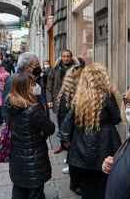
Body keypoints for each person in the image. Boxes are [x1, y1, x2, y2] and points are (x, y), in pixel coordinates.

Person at [65, 63, 122, 199]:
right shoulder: (107, 96)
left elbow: (71, 119)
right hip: (106, 140)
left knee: (87, 179)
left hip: (83, 140)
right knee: (104, 177)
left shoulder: (79, 96)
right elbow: (117, 119)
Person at [4, 72, 55, 199]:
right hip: (34, 157)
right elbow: (51, 128)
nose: (36, 86)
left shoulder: (11, 103)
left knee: (19, 187)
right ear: (25, 88)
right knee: (35, 191)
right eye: (33, 84)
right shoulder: (32, 110)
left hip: (17, 156)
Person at [56, 65, 83, 195]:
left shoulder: (80, 92)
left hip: (77, 133)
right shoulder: (67, 95)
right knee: (74, 160)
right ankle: (75, 185)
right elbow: (63, 118)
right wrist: (66, 138)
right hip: (72, 134)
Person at [1, 52, 45, 123]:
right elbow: (6, 109)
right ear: (26, 67)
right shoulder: (13, 81)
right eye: (36, 65)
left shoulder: (34, 77)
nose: (38, 67)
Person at [46, 50, 79, 117]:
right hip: (59, 98)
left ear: (71, 57)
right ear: (61, 57)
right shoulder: (55, 69)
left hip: (72, 98)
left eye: (68, 56)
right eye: (64, 56)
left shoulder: (77, 69)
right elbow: (49, 86)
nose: (66, 58)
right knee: (60, 119)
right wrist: (49, 100)